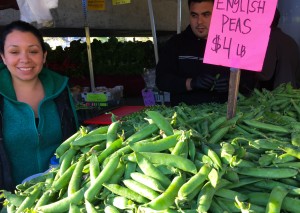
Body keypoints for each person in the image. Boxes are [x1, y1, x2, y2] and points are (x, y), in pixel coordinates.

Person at [0, 20, 79, 190]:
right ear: (3, 57)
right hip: (8, 200)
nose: (25, 59)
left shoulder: (60, 90)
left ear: (43, 56)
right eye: (14, 51)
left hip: (59, 193)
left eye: (33, 51)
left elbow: (73, 139)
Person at [155, 0, 256, 106]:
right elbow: (161, 80)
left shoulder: (234, 44)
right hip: (184, 116)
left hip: (225, 115)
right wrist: (191, 83)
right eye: (194, 15)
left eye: (206, 14)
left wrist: (233, 84)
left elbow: (250, 81)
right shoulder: (176, 43)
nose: (199, 22)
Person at [256, 8, 300, 90]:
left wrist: (246, 68)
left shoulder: (269, 40)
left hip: (277, 95)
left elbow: (265, 75)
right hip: (292, 93)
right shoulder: (290, 40)